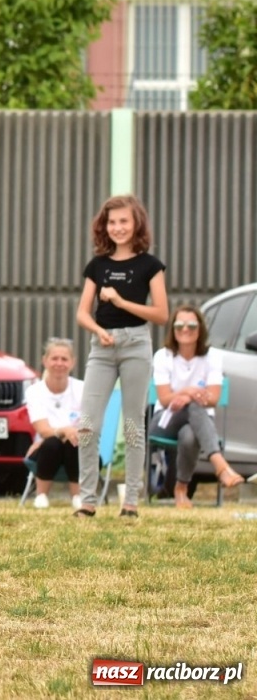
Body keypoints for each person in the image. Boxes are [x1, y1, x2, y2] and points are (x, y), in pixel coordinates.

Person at [74, 194, 167, 519]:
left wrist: (120, 301)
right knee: (88, 424)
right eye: (112, 222)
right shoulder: (97, 266)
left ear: (136, 223)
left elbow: (161, 314)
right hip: (102, 348)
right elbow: (82, 313)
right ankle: (87, 501)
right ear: (104, 226)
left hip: (136, 345)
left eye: (124, 221)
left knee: (132, 425)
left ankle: (130, 503)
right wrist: (97, 330)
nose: (118, 227)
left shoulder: (150, 266)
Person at [152, 305, 243, 507]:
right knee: (194, 406)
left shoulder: (212, 356)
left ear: (200, 329)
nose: (185, 329)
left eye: (191, 325)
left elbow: (213, 398)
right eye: (179, 325)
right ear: (173, 329)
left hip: (198, 423)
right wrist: (191, 392)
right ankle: (220, 465)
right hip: (165, 420)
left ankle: (181, 490)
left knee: (189, 435)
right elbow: (165, 399)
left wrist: (186, 397)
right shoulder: (162, 356)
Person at [23, 337, 84, 510]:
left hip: (77, 445)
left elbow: (88, 426)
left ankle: (78, 497)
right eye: (54, 358)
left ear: (72, 362)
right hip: (45, 449)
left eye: (64, 359)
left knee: (73, 442)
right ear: (45, 361)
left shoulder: (82, 388)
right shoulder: (34, 391)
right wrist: (65, 430)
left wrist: (68, 433)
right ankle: (41, 496)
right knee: (52, 443)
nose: (59, 363)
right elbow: (43, 430)